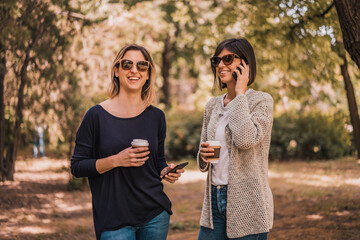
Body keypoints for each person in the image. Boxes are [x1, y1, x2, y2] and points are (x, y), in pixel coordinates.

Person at [71, 44, 184, 240]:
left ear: (148, 74)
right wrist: (116, 160)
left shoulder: (157, 116)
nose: (134, 70)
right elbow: (77, 166)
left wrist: (166, 171)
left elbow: (158, 162)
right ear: (116, 70)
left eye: (142, 65)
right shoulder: (96, 115)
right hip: (114, 219)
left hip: (155, 215)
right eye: (127, 64)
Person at [197, 38, 274, 240]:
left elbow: (246, 140)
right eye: (217, 60)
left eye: (228, 59)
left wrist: (240, 94)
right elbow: (203, 157)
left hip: (248, 202)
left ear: (245, 64)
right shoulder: (212, 105)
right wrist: (203, 156)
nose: (220, 65)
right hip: (214, 200)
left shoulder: (261, 101)